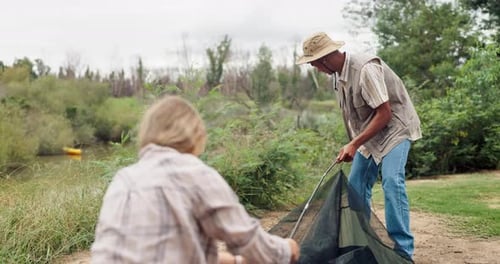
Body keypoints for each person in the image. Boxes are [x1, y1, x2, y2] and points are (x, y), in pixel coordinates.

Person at [91, 95, 300, 264]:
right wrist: (286, 250)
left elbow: (158, 254)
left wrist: (235, 261)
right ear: (195, 134)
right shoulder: (195, 174)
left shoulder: (123, 179)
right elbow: (247, 241)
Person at [296, 32, 422, 261]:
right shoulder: (338, 77)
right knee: (355, 187)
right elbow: (356, 115)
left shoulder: (365, 69)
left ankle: (403, 252)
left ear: (325, 58)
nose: (315, 68)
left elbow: (385, 113)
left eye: (314, 63)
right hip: (371, 134)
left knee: (392, 182)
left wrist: (354, 144)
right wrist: (354, 145)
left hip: (395, 128)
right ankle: (362, 243)